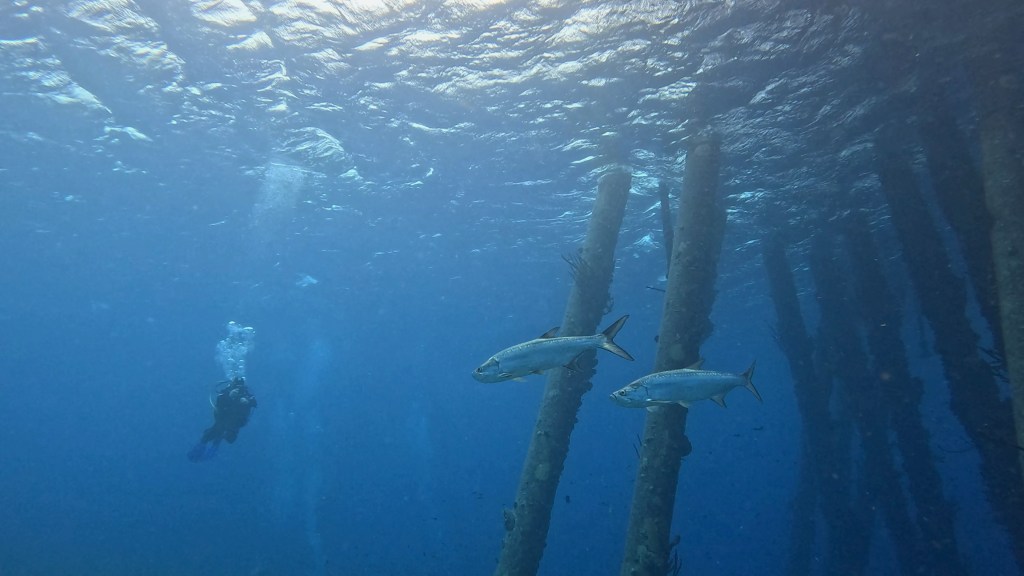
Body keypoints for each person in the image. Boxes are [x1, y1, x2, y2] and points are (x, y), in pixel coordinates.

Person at [187, 377, 257, 462]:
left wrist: (247, 401)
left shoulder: (247, 395)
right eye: (236, 385)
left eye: (240, 386)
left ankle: (212, 450)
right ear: (232, 385)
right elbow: (219, 403)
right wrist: (229, 396)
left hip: (235, 423)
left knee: (229, 439)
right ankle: (200, 450)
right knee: (208, 436)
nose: (238, 388)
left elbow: (254, 403)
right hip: (222, 420)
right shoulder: (226, 393)